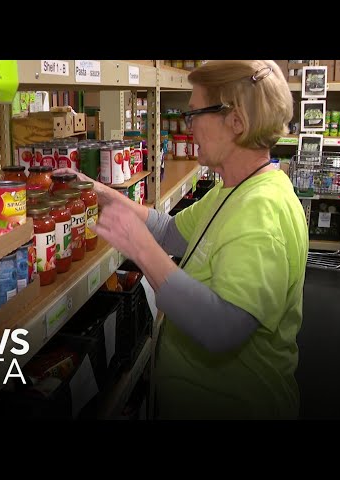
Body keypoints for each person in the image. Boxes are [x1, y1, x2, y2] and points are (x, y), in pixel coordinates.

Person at [55, 60, 308, 420]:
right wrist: (97, 190)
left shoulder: (262, 212)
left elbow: (221, 328)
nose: (188, 128)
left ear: (235, 121)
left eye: (194, 115)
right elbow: (171, 231)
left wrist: (139, 248)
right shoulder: (236, 187)